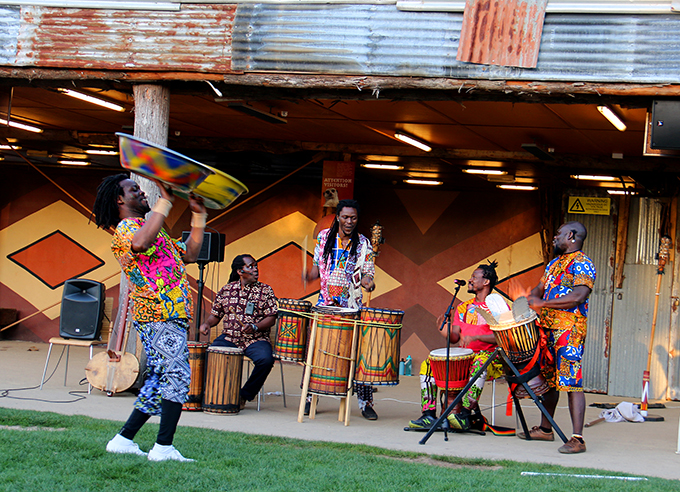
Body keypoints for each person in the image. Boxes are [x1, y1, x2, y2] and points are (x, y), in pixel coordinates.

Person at [94, 173, 207, 462]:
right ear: (120, 200)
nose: (143, 193)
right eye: (134, 190)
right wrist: (166, 201)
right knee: (178, 374)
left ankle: (123, 440)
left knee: (158, 381)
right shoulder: (125, 229)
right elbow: (141, 244)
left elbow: (190, 254)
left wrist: (199, 217)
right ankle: (163, 448)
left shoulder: (152, 228)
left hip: (172, 315)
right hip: (156, 314)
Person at [525, 221, 596, 454]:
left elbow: (578, 296)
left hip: (570, 331)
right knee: (549, 380)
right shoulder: (554, 264)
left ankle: (578, 439)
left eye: (559, 234)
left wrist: (543, 303)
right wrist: (533, 297)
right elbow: (539, 288)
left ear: (571, 235)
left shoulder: (583, 264)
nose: (555, 238)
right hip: (548, 330)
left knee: (572, 382)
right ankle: (546, 429)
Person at [408, 262, 504, 431]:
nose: (470, 280)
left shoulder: (498, 307)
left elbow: (504, 336)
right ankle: (428, 415)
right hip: (465, 357)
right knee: (428, 363)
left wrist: (477, 336)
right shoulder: (463, 307)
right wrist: (444, 330)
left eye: (474, 277)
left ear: (486, 281)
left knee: (479, 363)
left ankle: (465, 415)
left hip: (488, 358)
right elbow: (454, 338)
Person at [305, 199, 377, 419]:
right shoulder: (324, 237)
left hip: (352, 308)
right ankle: (309, 398)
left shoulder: (364, 243)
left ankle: (365, 404)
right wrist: (310, 275)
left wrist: (367, 282)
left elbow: (368, 273)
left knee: (356, 354)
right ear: (337, 216)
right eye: (345, 217)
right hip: (325, 305)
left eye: (353, 218)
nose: (349, 221)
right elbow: (317, 268)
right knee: (316, 352)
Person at [199, 254, 277, 409]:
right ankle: (213, 393)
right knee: (210, 354)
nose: (255, 269)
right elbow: (216, 315)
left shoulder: (265, 290)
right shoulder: (227, 290)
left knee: (266, 360)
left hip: (255, 339)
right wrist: (207, 324)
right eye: (251, 266)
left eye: (256, 266)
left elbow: (272, 317)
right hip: (230, 338)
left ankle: (244, 395)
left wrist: (255, 326)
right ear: (240, 271)